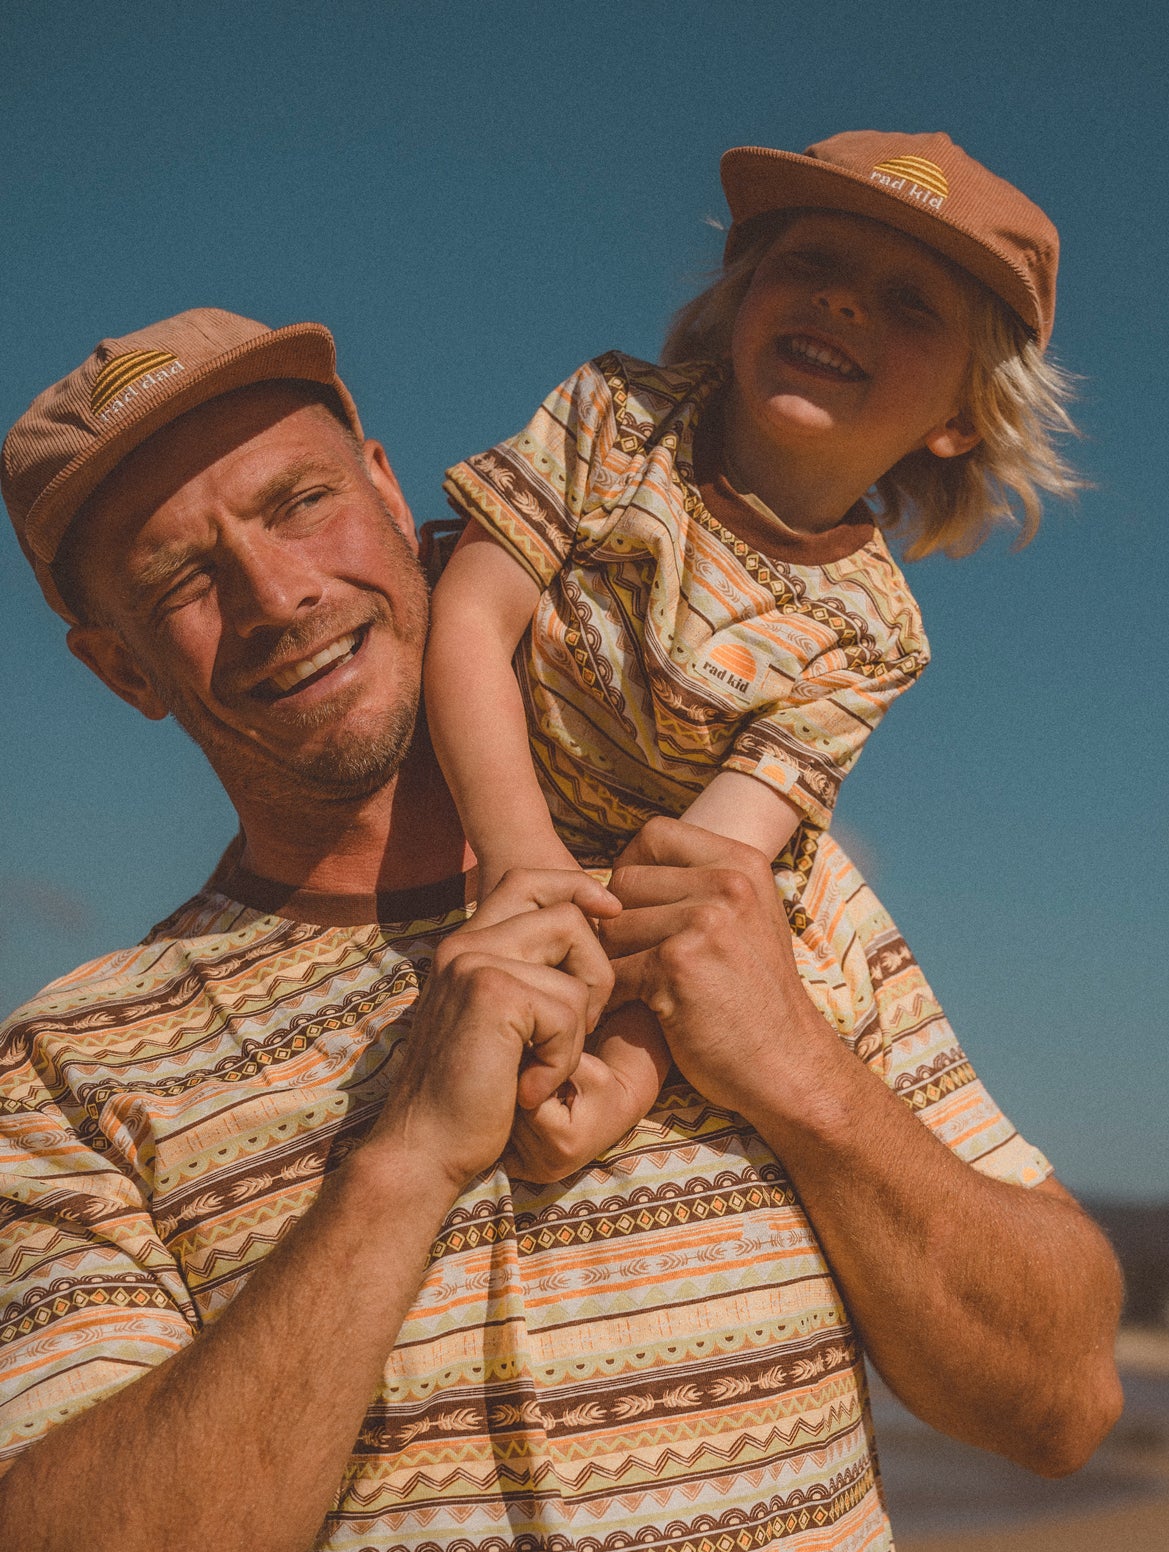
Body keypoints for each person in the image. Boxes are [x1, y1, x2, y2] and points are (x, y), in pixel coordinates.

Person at [0, 304, 1122, 1552]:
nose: (279, 594)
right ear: (118, 669)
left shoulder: (752, 891)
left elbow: (1062, 1400)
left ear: (386, 488)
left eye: (300, 502)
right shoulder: (66, 1074)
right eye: (181, 581)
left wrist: (798, 1072)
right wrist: (404, 1163)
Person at [427, 130, 1087, 1177]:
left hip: (635, 905)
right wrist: (518, 858)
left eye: (911, 301)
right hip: (482, 820)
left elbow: (714, 872)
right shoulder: (616, 415)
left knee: (766, 917)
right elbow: (468, 620)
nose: (843, 302)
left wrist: (623, 1075)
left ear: (961, 417)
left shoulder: (873, 635)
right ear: (742, 297)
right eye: (811, 262)